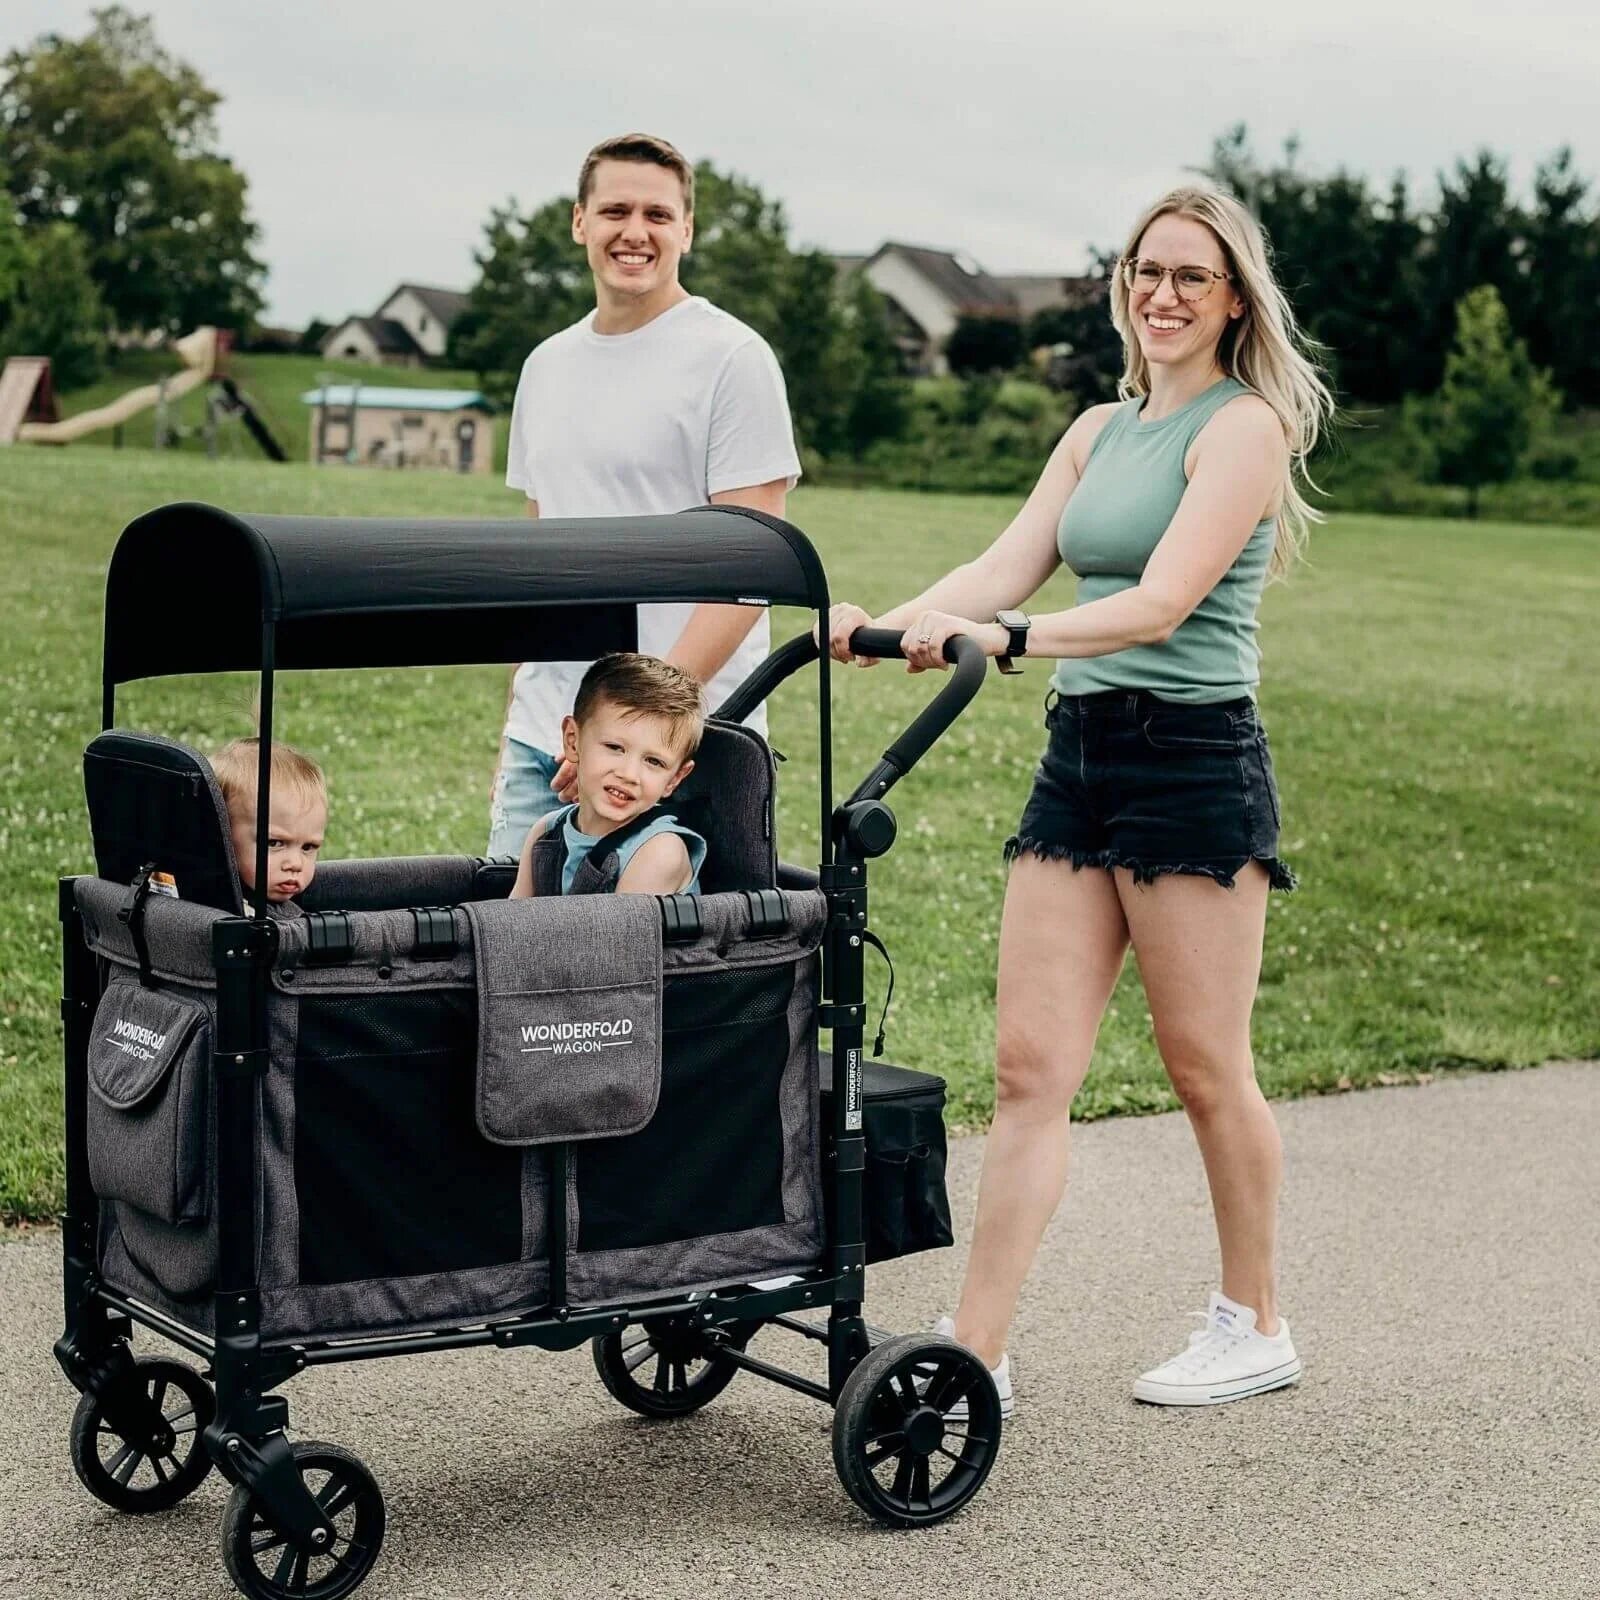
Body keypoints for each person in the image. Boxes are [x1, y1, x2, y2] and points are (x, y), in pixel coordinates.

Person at [826, 184, 1334, 1413]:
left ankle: (1253, 1321)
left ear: (1233, 300)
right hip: (1081, 754)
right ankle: (977, 1348)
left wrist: (1000, 636)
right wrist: (885, 622)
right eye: (1145, 270)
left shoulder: (1244, 428)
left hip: (1191, 758)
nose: (1163, 294)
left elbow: (1159, 604)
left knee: (1203, 1064)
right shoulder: (1096, 430)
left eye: (1191, 276)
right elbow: (1003, 563)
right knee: (1027, 1067)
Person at [489, 131, 802, 859]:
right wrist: (519, 721)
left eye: (658, 215)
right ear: (580, 222)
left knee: (662, 935)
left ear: (686, 229)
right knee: (506, 924)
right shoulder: (545, 366)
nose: (635, 232)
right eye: (615, 211)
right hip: (547, 740)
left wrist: (639, 729)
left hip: (676, 751)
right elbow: (537, 561)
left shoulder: (733, 359)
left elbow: (749, 571)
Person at [510, 654, 706, 898]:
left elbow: (610, 925)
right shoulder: (547, 832)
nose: (629, 774)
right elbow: (514, 919)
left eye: (654, 761)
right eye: (615, 747)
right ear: (573, 741)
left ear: (675, 778)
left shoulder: (659, 852)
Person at [211, 738, 327, 918]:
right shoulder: (240, 914)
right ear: (222, 832)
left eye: (308, 847)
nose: (295, 864)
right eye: (274, 843)